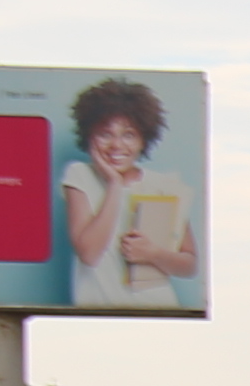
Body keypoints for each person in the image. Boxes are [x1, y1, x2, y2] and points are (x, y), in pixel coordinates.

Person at [60, 79, 198, 311]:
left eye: (129, 135)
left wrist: (152, 254)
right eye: (105, 134)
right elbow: (90, 254)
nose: (117, 145)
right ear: (89, 135)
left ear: (143, 139)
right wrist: (115, 185)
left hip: (157, 310)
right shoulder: (79, 175)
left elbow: (189, 265)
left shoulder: (164, 185)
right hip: (95, 313)